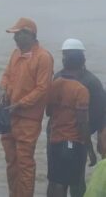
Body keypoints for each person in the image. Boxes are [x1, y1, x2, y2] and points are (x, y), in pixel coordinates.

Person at [0, 17, 54, 197]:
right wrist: (2, 90)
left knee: (25, 164)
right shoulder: (15, 54)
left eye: (18, 34)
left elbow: (42, 88)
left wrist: (20, 104)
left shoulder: (43, 58)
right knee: (11, 162)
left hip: (28, 119)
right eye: (14, 35)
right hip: (9, 116)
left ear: (29, 35)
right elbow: (6, 75)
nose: (14, 39)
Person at [46, 45, 91, 197]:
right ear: (82, 64)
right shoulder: (81, 90)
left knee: (53, 180)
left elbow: (48, 112)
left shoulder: (54, 84)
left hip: (54, 139)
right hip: (71, 142)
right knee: (63, 182)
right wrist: (88, 146)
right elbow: (82, 122)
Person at [57, 39, 106, 169]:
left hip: (72, 135)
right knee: (71, 178)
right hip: (72, 136)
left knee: (61, 179)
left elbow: (100, 112)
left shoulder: (90, 82)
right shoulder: (91, 81)